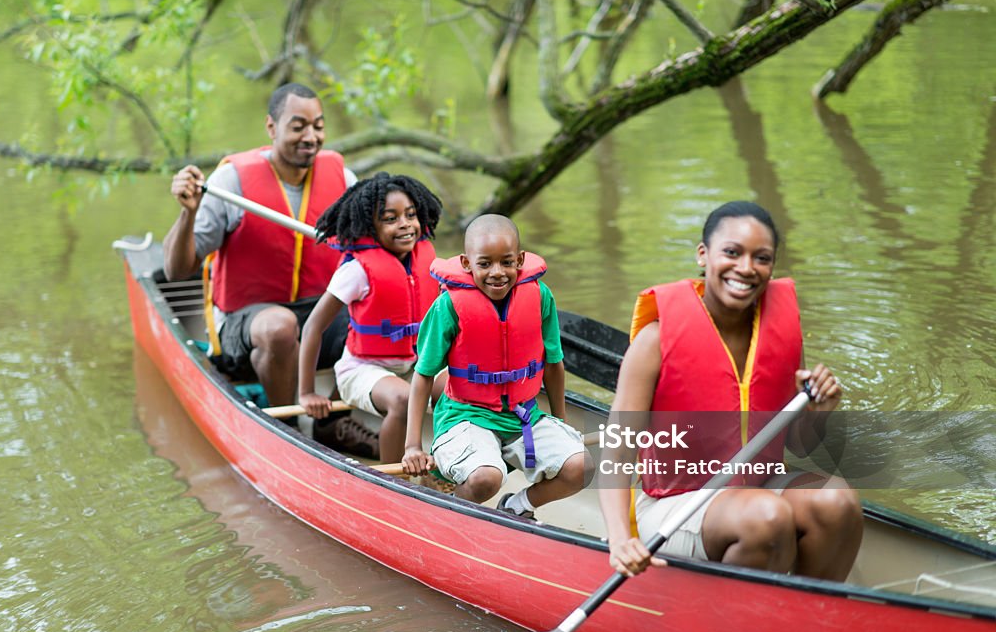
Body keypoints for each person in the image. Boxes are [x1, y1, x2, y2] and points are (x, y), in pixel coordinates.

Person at [600, 201, 863, 581]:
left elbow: (799, 446)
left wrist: (821, 410)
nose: (745, 268)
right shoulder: (655, 340)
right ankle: (745, 626)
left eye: (762, 258)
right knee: (764, 516)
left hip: (757, 491)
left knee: (837, 500)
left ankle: (808, 620)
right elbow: (618, 450)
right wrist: (620, 540)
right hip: (675, 506)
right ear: (703, 255)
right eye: (732, 252)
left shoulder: (779, 334)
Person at [164, 82, 376, 453]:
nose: (310, 137)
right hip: (247, 327)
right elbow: (176, 270)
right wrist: (189, 212)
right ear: (271, 127)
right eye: (298, 126)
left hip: (315, 318)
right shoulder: (231, 181)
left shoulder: (341, 178)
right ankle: (287, 426)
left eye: (318, 126)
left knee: (385, 311)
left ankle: (335, 422)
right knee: (280, 327)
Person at [402, 215, 589, 519]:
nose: (497, 273)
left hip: (522, 415)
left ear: (521, 259)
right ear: (465, 263)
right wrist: (412, 446)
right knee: (486, 478)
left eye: (507, 262)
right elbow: (423, 375)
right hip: (466, 416)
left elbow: (554, 365)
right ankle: (451, 518)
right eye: (485, 264)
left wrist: (561, 422)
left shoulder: (540, 296)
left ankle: (519, 507)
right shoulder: (449, 305)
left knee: (581, 468)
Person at [298, 173, 447, 463]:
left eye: (411, 215)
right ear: (370, 226)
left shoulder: (426, 259)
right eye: (390, 219)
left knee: (462, 385)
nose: (404, 224)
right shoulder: (357, 270)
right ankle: (394, 475)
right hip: (362, 368)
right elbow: (314, 327)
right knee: (403, 400)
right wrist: (306, 393)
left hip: (415, 362)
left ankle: (451, 460)